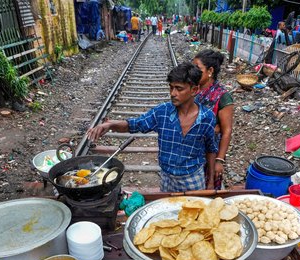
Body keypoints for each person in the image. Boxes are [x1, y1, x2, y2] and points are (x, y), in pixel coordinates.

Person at [86, 63, 217, 192]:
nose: (173, 93)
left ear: (194, 90)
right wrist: (111, 125)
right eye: (171, 88)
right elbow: (135, 124)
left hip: (193, 179)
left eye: (179, 88)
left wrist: (210, 181)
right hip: (167, 179)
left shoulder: (207, 117)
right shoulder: (162, 112)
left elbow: (211, 149)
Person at [192, 49, 234, 190]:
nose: (193, 72)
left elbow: (226, 130)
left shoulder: (222, 96)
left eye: (197, 69)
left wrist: (219, 160)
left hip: (209, 152)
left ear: (210, 71)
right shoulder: (192, 90)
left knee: (207, 192)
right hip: (190, 152)